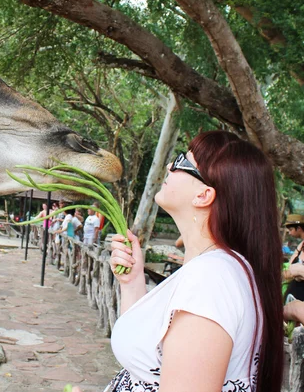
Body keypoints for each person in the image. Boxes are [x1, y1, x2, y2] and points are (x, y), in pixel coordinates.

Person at [75, 131, 284, 392]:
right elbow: (150, 361)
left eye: (182, 162)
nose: (169, 166)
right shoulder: (213, 270)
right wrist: (132, 282)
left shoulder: (210, 280)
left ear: (203, 195)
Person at [283, 214, 304, 300]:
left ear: (298, 228)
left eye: (291, 229)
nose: (290, 232)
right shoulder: (300, 245)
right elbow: (290, 267)